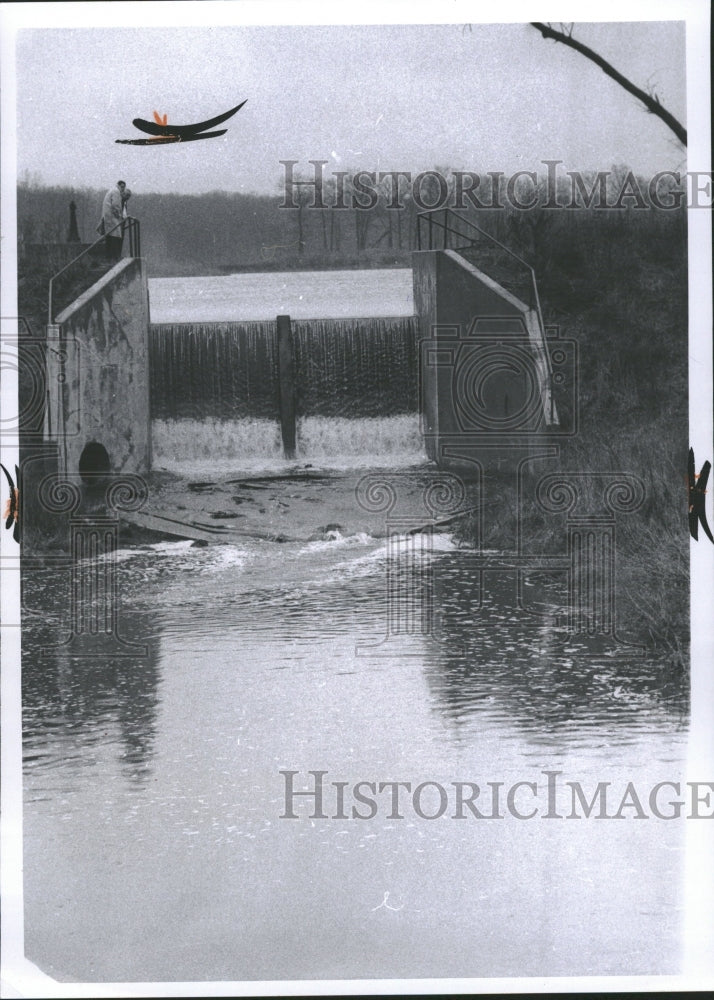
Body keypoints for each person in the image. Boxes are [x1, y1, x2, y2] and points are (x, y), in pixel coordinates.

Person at [98, 180, 127, 262]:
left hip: (108, 216)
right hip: (112, 217)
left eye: (124, 187)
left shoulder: (112, 190)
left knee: (110, 235)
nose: (123, 189)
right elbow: (115, 205)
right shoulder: (116, 192)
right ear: (119, 186)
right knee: (115, 235)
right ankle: (114, 257)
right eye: (122, 187)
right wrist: (120, 216)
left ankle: (109, 257)